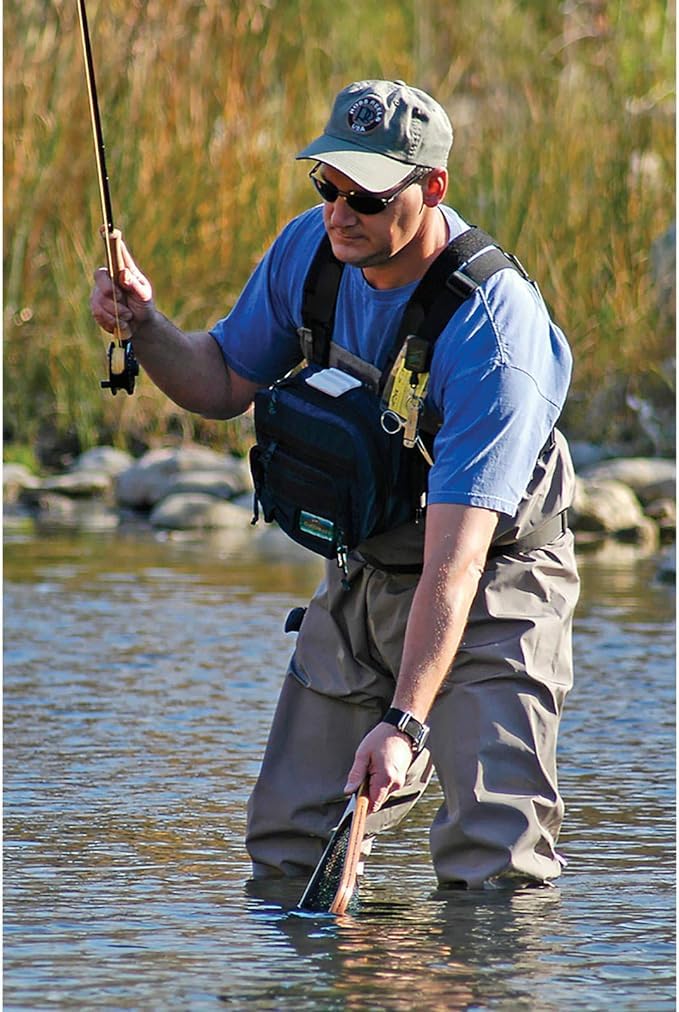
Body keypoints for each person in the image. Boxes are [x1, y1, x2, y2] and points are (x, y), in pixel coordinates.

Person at [91, 79, 579, 890]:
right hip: (367, 567)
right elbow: (221, 381)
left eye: (368, 195)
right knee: (287, 849)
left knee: (493, 862)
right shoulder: (311, 252)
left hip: (492, 583)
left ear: (432, 189)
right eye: (328, 184)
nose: (340, 212)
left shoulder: (492, 334)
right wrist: (144, 325)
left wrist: (403, 722)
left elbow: (455, 564)